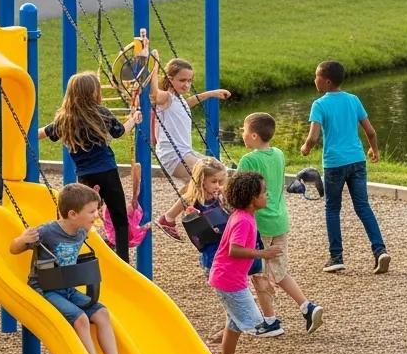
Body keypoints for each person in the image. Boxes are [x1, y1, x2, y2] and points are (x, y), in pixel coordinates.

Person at [10, 182, 146, 354]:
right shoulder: (47, 232)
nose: (96, 215)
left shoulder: (83, 230)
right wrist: (22, 239)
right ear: (73, 214)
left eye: (96, 210)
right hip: (45, 287)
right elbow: (13, 249)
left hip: (67, 287)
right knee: (81, 319)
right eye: (91, 212)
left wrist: (94, 199)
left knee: (101, 313)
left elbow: (97, 222)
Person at [38, 71, 141, 262]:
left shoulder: (65, 118)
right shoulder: (101, 112)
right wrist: (133, 120)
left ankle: (75, 255)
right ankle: (123, 261)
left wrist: (22, 133)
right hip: (107, 172)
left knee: (83, 218)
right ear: (94, 92)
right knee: (119, 218)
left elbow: (43, 133)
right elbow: (120, 132)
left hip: (85, 177)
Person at [300, 60, 390, 275]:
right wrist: (374, 151)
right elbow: (370, 131)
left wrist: (305, 148)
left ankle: (336, 256)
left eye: (317, 76)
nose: (314, 80)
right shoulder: (353, 99)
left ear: (326, 81)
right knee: (363, 207)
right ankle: (380, 251)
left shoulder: (319, 104)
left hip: (334, 164)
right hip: (357, 161)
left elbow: (313, 136)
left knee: (332, 208)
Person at [239, 112, 324, 334]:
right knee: (279, 271)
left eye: (244, 130)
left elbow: (240, 193)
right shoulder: (278, 154)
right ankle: (307, 306)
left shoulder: (248, 160)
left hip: (260, 224)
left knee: (259, 274)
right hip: (280, 220)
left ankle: (270, 322)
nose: (242, 134)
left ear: (254, 135)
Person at [208, 171, 289, 354]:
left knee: (234, 325)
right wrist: (263, 253)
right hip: (229, 281)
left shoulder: (244, 216)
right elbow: (234, 249)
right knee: (259, 326)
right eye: (264, 192)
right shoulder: (244, 221)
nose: (267, 195)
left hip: (231, 279)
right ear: (252, 198)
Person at [149, 53, 231, 242]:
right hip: (173, 154)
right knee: (202, 177)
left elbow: (187, 104)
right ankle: (169, 218)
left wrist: (211, 94)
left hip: (185, 151)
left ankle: (216, 206)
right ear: (169, 79)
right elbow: (153, 94)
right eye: (182, 80)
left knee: (219, 169)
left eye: (189, 80)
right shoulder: (167, 98)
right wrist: (154, 67)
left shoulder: (178, 99)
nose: (186, 84)